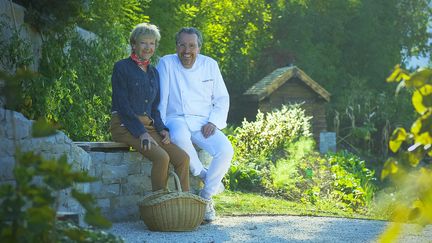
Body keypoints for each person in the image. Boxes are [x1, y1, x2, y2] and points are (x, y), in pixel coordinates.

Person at [157, 27, 234, 222]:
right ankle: (202, 173)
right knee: (180, 136)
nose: (186, 51)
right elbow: (161, 98)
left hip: (203, 121)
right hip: (176, 117)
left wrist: (213, 121)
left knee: (225, 151)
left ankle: (206, 196)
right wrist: (161, 126)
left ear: (199, 48)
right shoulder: (166, 63)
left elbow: (222, 99)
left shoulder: (210, 65)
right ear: (176, 46)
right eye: (182, 45)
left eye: (191, 46)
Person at [110, 23, 190, 192]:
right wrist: (142, 133)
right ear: (134, 44)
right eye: (143, 43)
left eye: (152, 43)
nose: (148, 47)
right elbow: (123, 106)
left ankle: (185, 203)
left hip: (149, 127)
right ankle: (160, 203)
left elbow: (154, 108)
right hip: (125, 126)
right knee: (162, 158)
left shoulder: (153, 72)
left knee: (183, 158)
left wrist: (162, 129)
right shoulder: (121, 67)